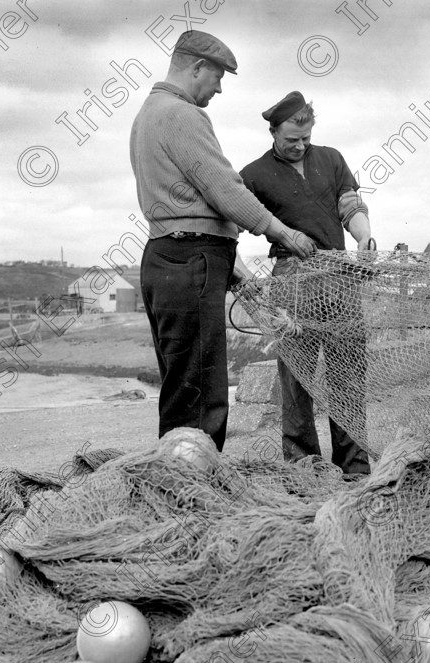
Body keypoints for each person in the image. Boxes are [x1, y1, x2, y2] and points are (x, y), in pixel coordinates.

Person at [130, 31, 315, 451]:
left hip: (167, 256)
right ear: (195, 67)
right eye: (216, 77)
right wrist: (282, 231)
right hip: (191, 259)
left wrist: (235, 269)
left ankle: (176, 477)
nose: (218, 87)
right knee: (201, 390)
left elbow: (188, 206)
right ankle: (193, 490)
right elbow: (223, 188)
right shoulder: (182, 114)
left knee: (182, 384)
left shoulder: (148, 113)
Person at [240, 91, 372, 476]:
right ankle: (302, 468)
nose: (299, 146)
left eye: (305, 138)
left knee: (348, 375)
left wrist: (363, 237)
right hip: (289, 280)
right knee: (296, 381)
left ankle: (355, 467)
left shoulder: (331, 159)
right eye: (290, 139)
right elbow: (234, 221)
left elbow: (351, 205)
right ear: (273, 132)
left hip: (339, 276)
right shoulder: (252, 174)